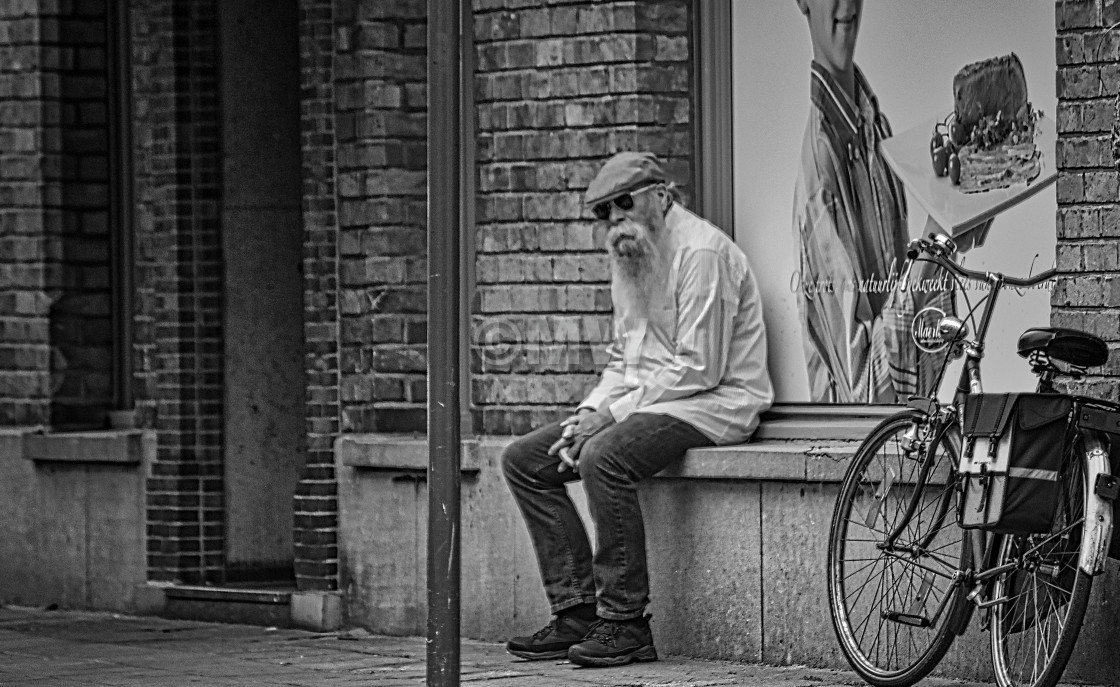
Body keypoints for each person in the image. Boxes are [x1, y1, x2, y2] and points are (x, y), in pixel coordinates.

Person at [501, 151, 774, 668]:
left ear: (662, 196)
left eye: (625, 203)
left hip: (715, 405)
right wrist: (589, 411)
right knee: (525, 461)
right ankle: (577, 610)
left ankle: (625, 622)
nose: (615, 219)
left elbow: (700, 368)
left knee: (602, 457)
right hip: (647, 404)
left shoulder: (702, 253)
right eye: (603, 211)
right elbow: (622, 360)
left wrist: (613, 417)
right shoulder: (630, 257)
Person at [792, 0, 954, 403]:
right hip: (858, 452)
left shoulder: (875, 129)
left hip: (903, 436)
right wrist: (935, 242)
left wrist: (950, 237)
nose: (846, 4)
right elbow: (862, 390)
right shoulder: (821, 173)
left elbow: (910, 324)